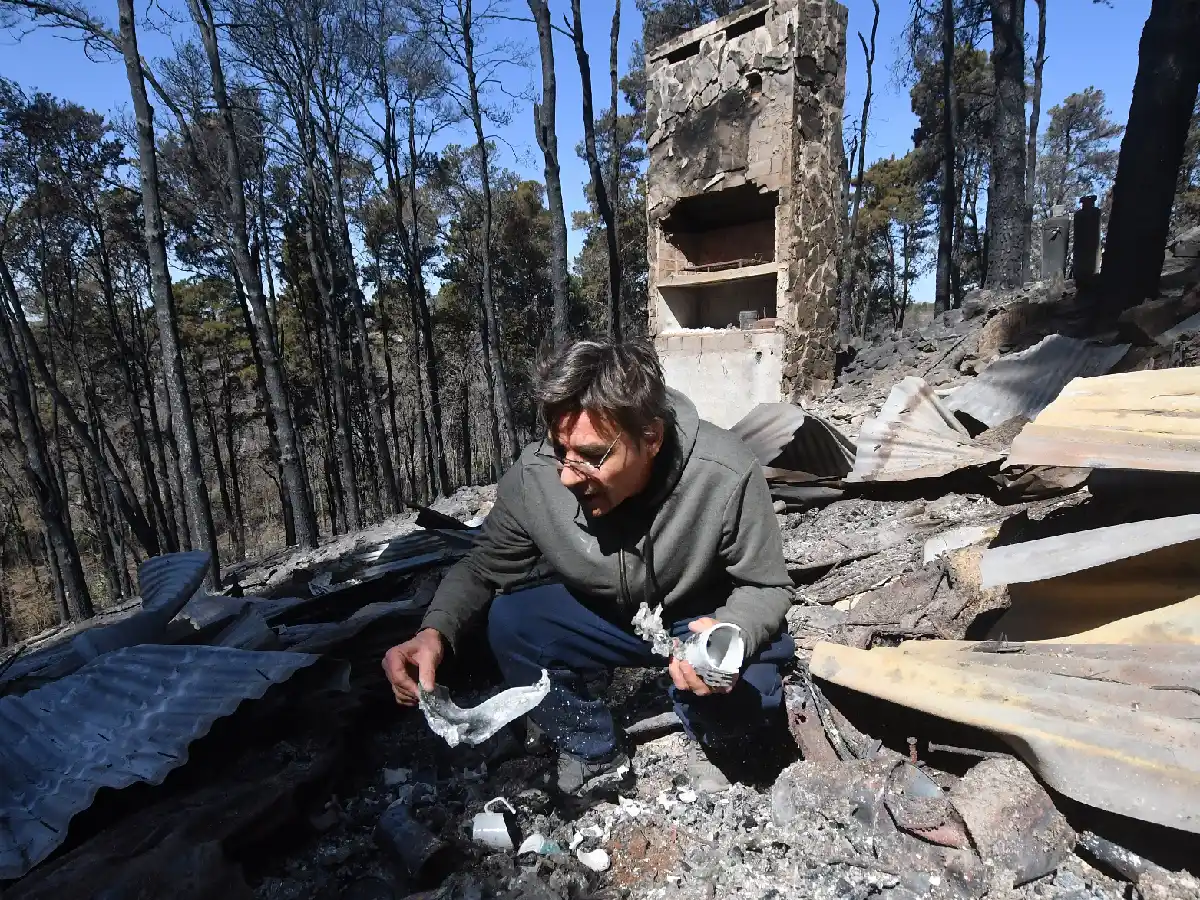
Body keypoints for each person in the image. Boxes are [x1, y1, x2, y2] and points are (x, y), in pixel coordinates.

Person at [383, 339, 795, 808]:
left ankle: (710, 738)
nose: (568, 476)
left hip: (699, 617)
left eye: (593, 455)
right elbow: (482, 566)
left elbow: (766, 585)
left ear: (651, 438)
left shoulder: (723, 471)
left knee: (754, 693)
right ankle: (595, 751)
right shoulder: (536, 478)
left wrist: (728, 633)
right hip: (607, 616)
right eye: (562, 450)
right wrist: (435, 630)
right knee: (513, 622)